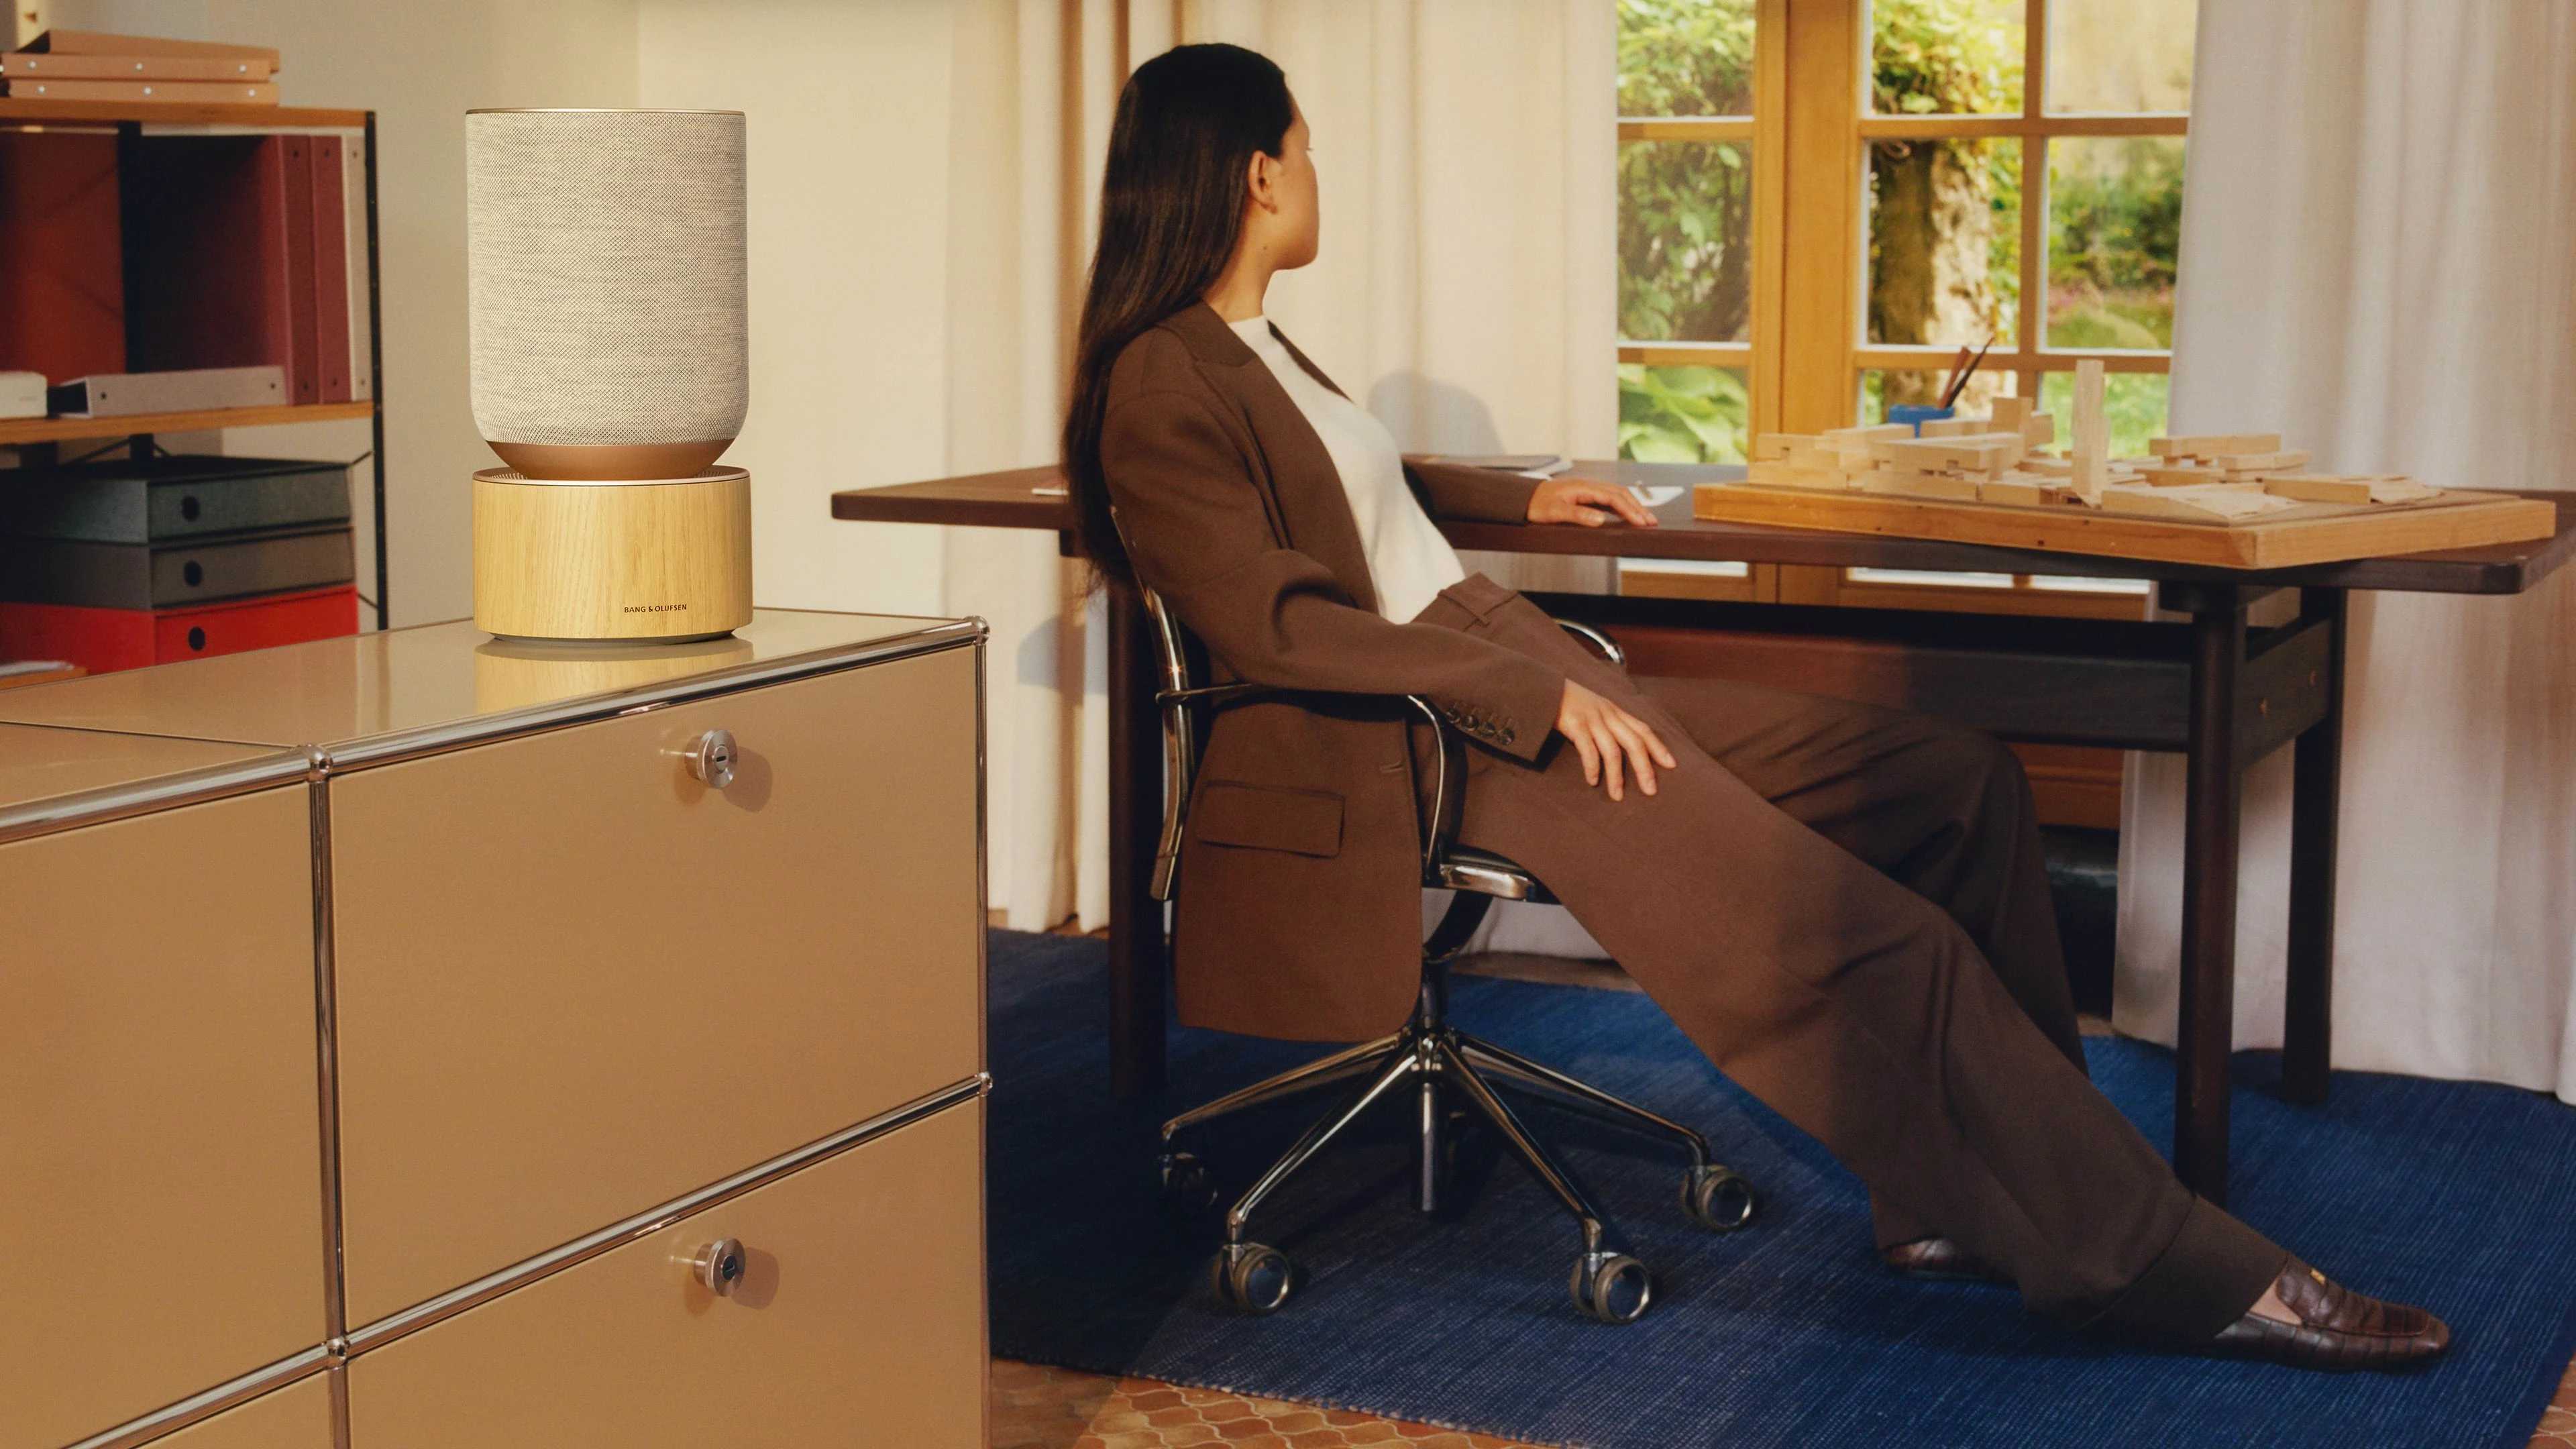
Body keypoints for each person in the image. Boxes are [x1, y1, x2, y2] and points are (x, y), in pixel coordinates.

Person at [1062, 41, 2447, 1373]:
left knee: (1956, 782)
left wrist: (1517, 499)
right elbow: (1280, 621)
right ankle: (2170, 1270)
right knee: (1871, 939)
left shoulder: (1259, 348)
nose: (1320, 176)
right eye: (1308, 152)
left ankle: (1959, 1200)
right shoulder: (1160, 379)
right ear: (1257, 176)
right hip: (1431, 734)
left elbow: (1352, 493)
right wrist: (1527, 693)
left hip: (1496, 666)